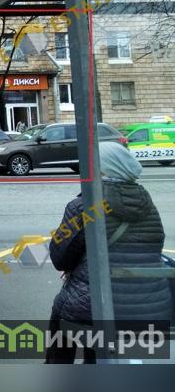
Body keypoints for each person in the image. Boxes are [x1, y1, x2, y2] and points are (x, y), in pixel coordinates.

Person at [45, 141, 172, 363]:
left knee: (64, 311)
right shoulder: (147, 205)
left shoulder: (85, 205)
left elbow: (59, 258)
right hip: (150, 307)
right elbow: (150, 249)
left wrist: (74, 268)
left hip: (98, 308)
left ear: (100, 170)